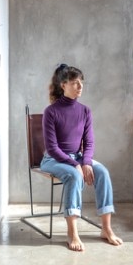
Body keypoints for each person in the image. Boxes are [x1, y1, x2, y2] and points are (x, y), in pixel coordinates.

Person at [40, 63, 123, 252]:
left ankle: (106, 228)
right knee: (74, 175)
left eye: (81, 83)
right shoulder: (51, 112)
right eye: (75, 83)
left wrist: (85, 162)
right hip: (53, 160)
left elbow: (89, 142)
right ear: (63, 85)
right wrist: (74, 165)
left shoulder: (85, 111)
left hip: (77, 157)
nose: (80, 86)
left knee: (102, 171)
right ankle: (72, 233)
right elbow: (52, 148)